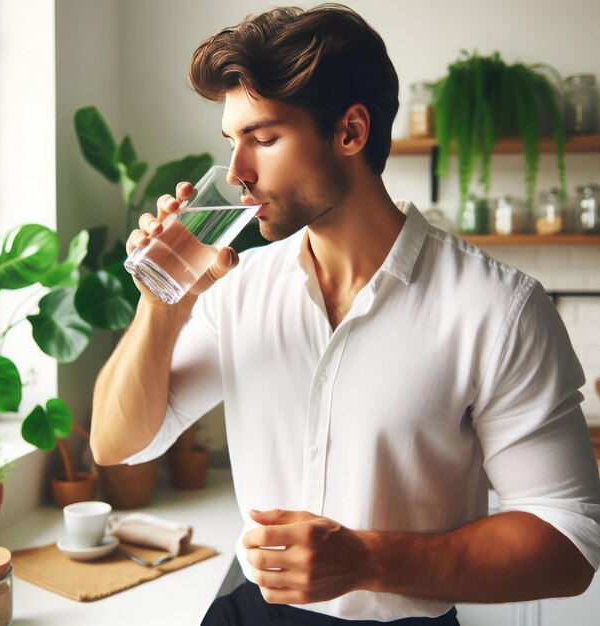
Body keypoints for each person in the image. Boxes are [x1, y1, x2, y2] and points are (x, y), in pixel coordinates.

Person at [90, 4, 600, 625]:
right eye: (232, 140)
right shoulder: (237, 288)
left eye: (264, 138)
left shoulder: (499, 309)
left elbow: (569, 543)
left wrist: (367, 560)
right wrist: (161, 303)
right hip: (252, 613)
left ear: (351, 132)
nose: (236, 173)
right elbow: (117, 444)